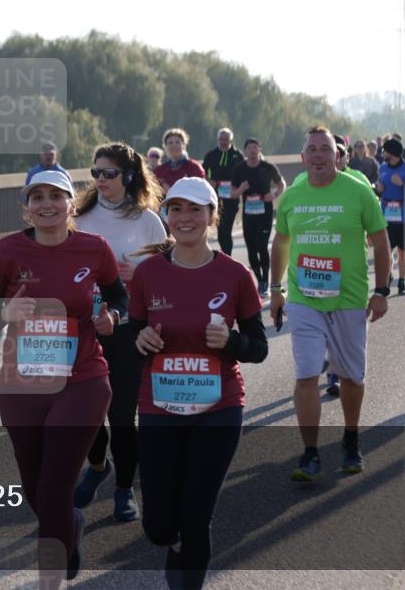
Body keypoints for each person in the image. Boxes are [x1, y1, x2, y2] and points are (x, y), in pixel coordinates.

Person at [0, 169, 127, 586]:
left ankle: (49, 580)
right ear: (26, 207)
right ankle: (70, 525)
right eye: (36, 197)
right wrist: (4, 313)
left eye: (55, 196)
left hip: (83, 378)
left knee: (56, 483)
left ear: (71, 204)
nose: (46, 205)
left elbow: (118, 297)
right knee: (36, 489)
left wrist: (113, 317)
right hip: (21, 382)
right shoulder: (8, 252)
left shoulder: (95, 249)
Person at [130, 176, 268, 590]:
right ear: (166, 216)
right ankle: (173, 543)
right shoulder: (148, 273)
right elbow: (133, 332)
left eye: (195, 209)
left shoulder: (236, 275)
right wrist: (140, 338)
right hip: (159, 406)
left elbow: (258, 347)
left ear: (212, 216)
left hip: (219, 407)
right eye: (176, 209)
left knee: (195, 518)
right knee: (157, 526)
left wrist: (232, 342)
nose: (184, 217)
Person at [270, 126, 391, 481]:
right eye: (313, 149)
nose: (319, 155)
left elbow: (380, 240)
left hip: (350, 299)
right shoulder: (293, 195)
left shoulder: (358, 191)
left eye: (326, 149)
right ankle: (309, 454)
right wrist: (276, 289)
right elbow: (280, 242)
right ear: (303, 156)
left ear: (337, 156)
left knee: (352, 376)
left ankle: (350, 439)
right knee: (306, 372)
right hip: (304, 299)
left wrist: (382, 291)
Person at [73, 143, 166, 522]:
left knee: (122, 414)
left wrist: (140, 275)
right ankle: (98, 467)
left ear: (128, 176)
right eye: (96, 173)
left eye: (108, 173)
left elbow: (168, 274)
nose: (101, 180)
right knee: (85, 413)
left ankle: (125, 489)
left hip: (127, 329)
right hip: (83, 328)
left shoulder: (147, 220)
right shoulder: (79, 216)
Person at [230, 138, 286, 297]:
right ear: (245, 151)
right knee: (252, 249)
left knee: (262, 246)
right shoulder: (239, 169)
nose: (253, 150)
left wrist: (274, 195)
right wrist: (241, 189)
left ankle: (264, 283)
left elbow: (281, 184)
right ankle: (259, 278)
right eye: (249, 147)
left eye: (255, 147)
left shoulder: (267, 167)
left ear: (260, 149)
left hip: (265, 213)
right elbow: (232, 193)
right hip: (248, 214)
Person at [375, 138, 405, 296]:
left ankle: (402, 282)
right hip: (386, 215)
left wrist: (402, 184)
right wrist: (378, 189)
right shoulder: (383, 167)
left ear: (391, 152)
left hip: (404, 216)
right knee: (387, 251)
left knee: (402, 252)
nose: (382, 154)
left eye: (384, 151)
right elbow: (379, 186)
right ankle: (387, 279)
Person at [202, 128, 244, 255]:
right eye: (221, 139)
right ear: (217, 140)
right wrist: (209, 180)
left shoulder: (238, 155)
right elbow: (202, 172)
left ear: (231, 140)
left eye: (226, 139)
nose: (223, 142)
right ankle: (226, 255)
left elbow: (243, 174)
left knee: (226, 228)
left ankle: (228, 257)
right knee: (221, 231)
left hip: (231, 198)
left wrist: (238, 187)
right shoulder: (211, 155)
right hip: (215, 198)